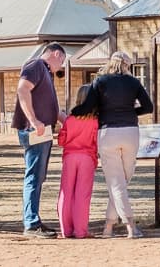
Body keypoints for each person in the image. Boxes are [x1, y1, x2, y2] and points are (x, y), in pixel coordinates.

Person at [71, 51, 153, 239]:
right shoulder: (133, 82)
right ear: (126, 65)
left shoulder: (100, 82)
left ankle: (129, 225)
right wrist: (130, 112)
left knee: (117, 183)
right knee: (121, 182)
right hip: (131, 131)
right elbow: (148, 107)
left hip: (108, 132)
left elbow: (87, 107)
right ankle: (109, 226)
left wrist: (73, 113)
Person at [11, 43, 67, 238]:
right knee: (34, 176)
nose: (61, 66)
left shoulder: (46, 73)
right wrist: (34, 120)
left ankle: (34, 219)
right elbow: (22, 89)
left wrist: (71, 122)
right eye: (62, 62)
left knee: (38, 177)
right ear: (57, 54)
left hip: (44, 132)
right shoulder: (36, 66)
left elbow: (55, 110)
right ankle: (31, 223)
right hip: (34, 131)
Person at [56, 84, 99, 239]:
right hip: (87, 158)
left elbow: (61, 140)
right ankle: (81, 231)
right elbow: (96, 142)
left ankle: (65, 230)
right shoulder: (95, 122)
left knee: (66, 192)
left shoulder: (69, 120)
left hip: (70, 157)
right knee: (83, 194)